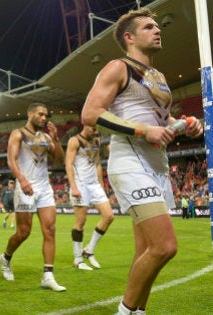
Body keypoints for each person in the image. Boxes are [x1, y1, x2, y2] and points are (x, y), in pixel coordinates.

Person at [81, 8, 203, 314]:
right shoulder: (117, 67)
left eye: (158, 26)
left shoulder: (158, 77)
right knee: (165, 247)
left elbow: (158, 120)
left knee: (146, 251)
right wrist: (143, 130)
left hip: (157, 166)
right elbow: (90, 114)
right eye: (149, 27)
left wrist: (182, 125)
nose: (158, 30)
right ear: (129, 37)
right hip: (130, 162)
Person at [0, 102, 66, 292]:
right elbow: (11, 160)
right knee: (23, 232)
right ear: (30, 114)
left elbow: (59, 160)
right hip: (25, 187)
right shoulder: (18, 134)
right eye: (40, 114)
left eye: (46, 115)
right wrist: (22, 180)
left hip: (44, 188)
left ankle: (48, 276)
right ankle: (6, 257)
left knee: (50, 229)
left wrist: (56, 140)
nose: (44, 118)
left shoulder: (46, 137)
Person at [65, 125, 114, 270]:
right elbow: (68, 164)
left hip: (94, 185)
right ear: (86, 126)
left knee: (109, 216)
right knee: (80, 222)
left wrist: (101, 186)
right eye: (93, 129)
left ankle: (88, 250)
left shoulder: (97, 141)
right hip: (80, 184)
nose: (96, 131)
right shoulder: (74, 141)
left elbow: (98, 163)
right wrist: (73, 186)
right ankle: (78, 259)